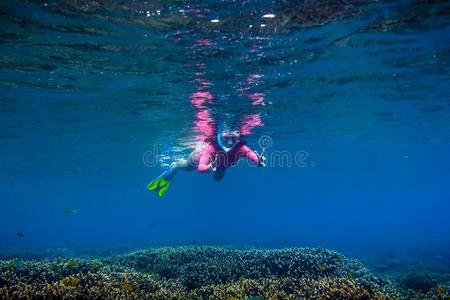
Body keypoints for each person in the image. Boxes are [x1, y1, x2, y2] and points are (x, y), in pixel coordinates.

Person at [147, 129, 266, 197]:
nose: (230, 142)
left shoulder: (241, 148)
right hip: (199, 157)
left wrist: (258, 161)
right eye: (226, 138)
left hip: (221, 164)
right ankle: (174, 167)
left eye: (233, 139)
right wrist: (209, 167)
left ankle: (215, 169)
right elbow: (200, 167)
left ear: (238, 138)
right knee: (187, 167)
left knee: (218, 178)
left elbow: (250, 154)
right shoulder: (210, 149)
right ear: (220, 137)